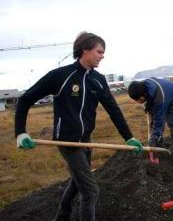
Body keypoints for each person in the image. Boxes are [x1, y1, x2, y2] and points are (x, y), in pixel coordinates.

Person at [15, 32, 143, 221]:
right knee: (91, 191)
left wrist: (128, 137)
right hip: (67, 142)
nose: (102, 56)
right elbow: (25, 99)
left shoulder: (98, 80)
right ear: (85, 50)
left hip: (85, 142)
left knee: (78, 183)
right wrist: (20, 132)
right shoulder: (61, 76)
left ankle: (61, 217)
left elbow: (113, 109)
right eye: (99, 51)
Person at [127, 78, 173, 147]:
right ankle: (157, 142)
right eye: (135, 100)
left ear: (144, 94)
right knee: (153, 122)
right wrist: (148, 106)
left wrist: (153, 139)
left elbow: (159, 121)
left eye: (139, 99)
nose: (138, 102)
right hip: (165, 94)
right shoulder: (142, 87)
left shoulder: (158, 99)